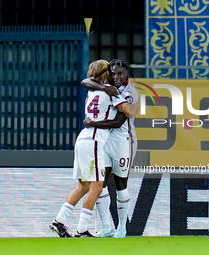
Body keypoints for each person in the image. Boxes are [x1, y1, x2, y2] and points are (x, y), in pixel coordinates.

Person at [49, 60, 131, 237]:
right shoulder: (111, 92)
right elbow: (128, 111)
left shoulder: (92, 92)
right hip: (94, 141)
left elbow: (86, 83)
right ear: (106, 74)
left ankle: (59, 220)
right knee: (97, 186)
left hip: (83, 137)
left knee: (83, 186)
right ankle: (82, 229)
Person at [81, 59, 140, 238]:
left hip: (123, 140)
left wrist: (92, 122)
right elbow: (85, 81)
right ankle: (106, 226)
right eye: (113, 73)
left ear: (126, 74)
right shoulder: (107, 86)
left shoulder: (131, 92)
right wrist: (105, 88)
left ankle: (122, 227)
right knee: (101, 182)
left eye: (119, 73)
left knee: (121, 184)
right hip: (104, 140)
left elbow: (120, 120)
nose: (116, 77)